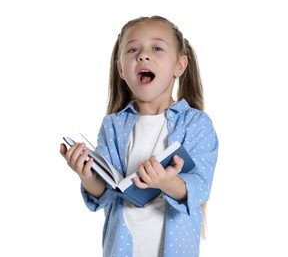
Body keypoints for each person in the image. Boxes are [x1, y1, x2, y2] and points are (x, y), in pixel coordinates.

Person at [60, 15, 218, 257]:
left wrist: (167, 182)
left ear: (180, 65)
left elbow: (200, 186)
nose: (143, 55)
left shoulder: (196, 124)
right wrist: (86, 175)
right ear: (121, 69)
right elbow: (106, 192)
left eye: (157, 48)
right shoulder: (113, 125)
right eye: (133, 49)